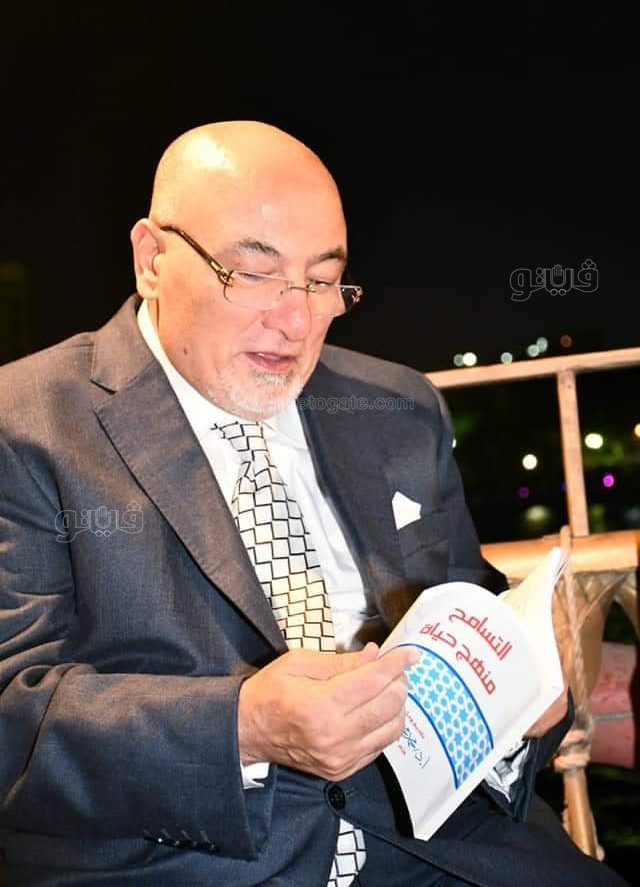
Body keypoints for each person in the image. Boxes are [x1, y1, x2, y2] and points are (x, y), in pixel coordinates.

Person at [0, 121, 627, 887]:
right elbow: (10, 714)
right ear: (152, 259)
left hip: (447, 852)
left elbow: (471, 608)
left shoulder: (398, 406)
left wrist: (525, 701)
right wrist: (244, 728)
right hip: (186, 866)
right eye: (253, 274)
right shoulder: (24, 424)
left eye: (324, 280)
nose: (297, 322)